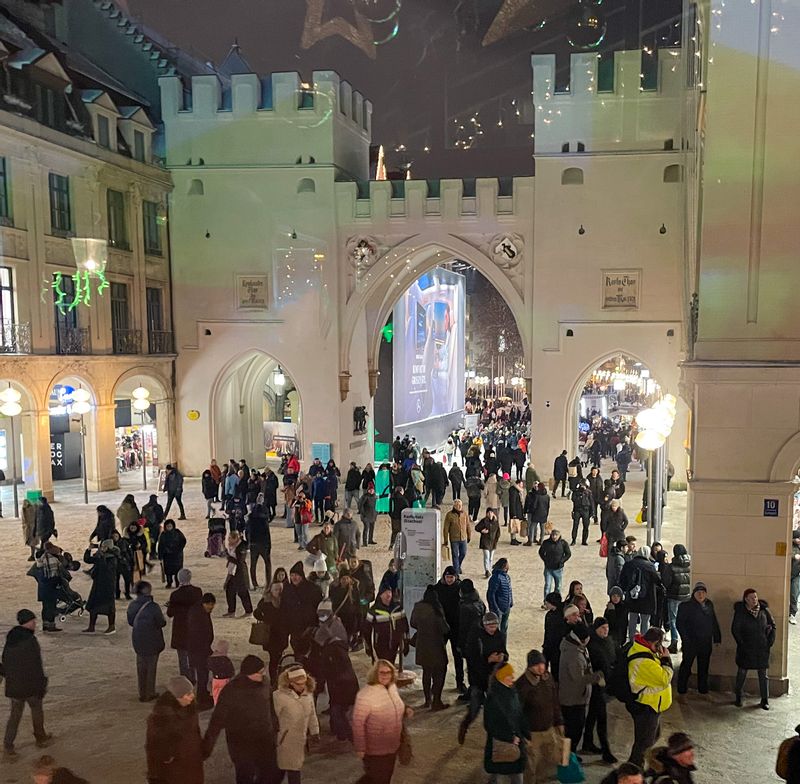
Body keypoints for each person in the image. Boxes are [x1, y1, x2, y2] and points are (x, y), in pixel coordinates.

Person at [203, 655, 277, 784]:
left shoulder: (264, 683)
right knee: (245, 775)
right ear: (249, 673)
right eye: (260, 672)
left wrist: (275, 726)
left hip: (265, 739)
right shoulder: (232, 691)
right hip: (242, 743)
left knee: (268, 773)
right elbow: (217, 720)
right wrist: (207, 746)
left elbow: (270, 706)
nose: (263, 674)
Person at [2, 609, 51, 760]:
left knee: (14, 716)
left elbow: (5, 661)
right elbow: (36, 665)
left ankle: (8, 744)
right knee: (37, 711)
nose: (35, 624)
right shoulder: (30, 641)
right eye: (33, 621)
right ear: (26, 622)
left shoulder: (11, 639)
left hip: (14, 686)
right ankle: (40, 738)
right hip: (30, 686)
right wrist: (41, 684)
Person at [352, 659, 410, 784]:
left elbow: (395, 706)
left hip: (392, 745)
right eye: (381, 673)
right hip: (374, 750)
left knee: (384, 777)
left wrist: (406, 709)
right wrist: (360, 747)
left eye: (388, 672)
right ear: (375, 674)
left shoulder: (392, 688)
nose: (385, 675)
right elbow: (358, 724)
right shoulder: (365, 695)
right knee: (378, 779)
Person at [625, 627, 673, 767]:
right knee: (644, 743)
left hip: (653, 705)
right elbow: (664, 678)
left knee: (650, 738)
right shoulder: (643, 660)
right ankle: (633, 771)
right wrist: (666, 660)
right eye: (660, 643)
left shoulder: (647, 651)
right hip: (646, 706)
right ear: (655, 642)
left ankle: (633, 768)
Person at [459, 612, 508, 744]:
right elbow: (472, 660)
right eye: (490, 627)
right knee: (474, 708)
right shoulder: (476, 637)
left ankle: (494, 736)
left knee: (496, 709)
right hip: (478, 678)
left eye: (495, 626)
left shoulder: (500, 636)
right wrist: (488, 659)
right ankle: (465, 725)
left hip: (493, 678)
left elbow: (505, 652)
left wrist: (502, 657)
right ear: (485, 626)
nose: (493, 629)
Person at [146, 676, 204, 784]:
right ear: (177, 697)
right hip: (175, 771)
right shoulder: (160, 719)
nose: (192, 696)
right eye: (187, 694)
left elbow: (196, 733)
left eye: (191, 692)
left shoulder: (191, 710)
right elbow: (153, 751)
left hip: (192, 765)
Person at [515, 650, 562, 784]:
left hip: (548, 729)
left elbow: (554, 701)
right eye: (537, 665)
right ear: (529, 666)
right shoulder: (522, 684)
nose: (541, 667)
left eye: (542, 664)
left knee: (546, 764)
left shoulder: (548, 678)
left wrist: (559, 722)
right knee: (530, 768)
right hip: (532, 733)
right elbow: (517, 712)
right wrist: (522, 734)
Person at [673, 581, 720, 697]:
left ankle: (702, 689)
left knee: (704, 667)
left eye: (703, 592)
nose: (701, 595)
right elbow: (680, 624)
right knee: (686, 666)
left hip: (705, 642)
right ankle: (682, 690)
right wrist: (685, 638)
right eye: (698, 592)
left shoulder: (709, 604)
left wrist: (717, 637)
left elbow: (713, 621)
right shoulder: (685, 606)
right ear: (694, 593)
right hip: (691, 642)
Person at [483, 662, 528, 784]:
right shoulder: (493, 698)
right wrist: (509, 738)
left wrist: (526, 733)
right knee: (499, 773)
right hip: (500, 743)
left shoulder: (512, 692)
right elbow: (489, 725)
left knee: (515, 773)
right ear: (501, 677)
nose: (513, 677)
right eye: (509, 675)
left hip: (515, 742)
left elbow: (519, 715)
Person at [731, 587, 776, 709]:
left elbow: (773, 625)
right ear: (745, 599)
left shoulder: (764, 611)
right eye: (751, 598)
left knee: (763, 674)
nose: (754, 600)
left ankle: (764, 699)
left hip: (761, 648)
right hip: (746, 649)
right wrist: (742, 643)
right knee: (742, 673)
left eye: (755, 597)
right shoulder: (740, 612)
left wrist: (769, 642)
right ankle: (738, 696)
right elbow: (735, 629)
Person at [273, 667, 320, 784]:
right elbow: (272, 718)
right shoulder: (279, 697)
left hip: (300, 739)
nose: (302, 686)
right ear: (290, 683)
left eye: (304, 683)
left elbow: (312, 714)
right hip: (284, 740)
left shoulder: (308, 695)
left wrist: (315, 731)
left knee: (288, 768)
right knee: (289, 769)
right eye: (298, 684)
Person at [558, 621, 599, 753]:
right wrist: (597, 677)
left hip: (576, 697)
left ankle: (570, 757)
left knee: (574, 731)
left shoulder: (577, 647)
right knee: (572, 732)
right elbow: (578, 679)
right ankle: (568, 758)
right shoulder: (573, 655)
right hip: (572, 699)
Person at [410, 585, 450, 710]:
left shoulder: (418, 606)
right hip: (437, 645)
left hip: (422, 645)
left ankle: (427, 700)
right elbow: (445, 628)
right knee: (439, 673)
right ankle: (436, 701)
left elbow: (413, 623)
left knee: (426, 672)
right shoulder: (437, 609)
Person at [127, 580, 167, 702]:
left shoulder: (132, 605)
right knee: (151, 667)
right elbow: (161, 623)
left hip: (138, 639)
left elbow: (130, 622)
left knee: (141, 667)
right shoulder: (153, 607)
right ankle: (150, 692)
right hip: (153, 640)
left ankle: (142, 692)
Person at [584, 617, 617, 763]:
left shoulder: (608, 641)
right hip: (596, 684)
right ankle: (606, 751)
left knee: (592, 714)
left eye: (607, 628)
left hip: (605, 685)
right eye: (603, 628)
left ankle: (587, 742)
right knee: (601, 718)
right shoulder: (592, 644)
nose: (606, 631)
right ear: (596, 629)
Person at [167, 568, 203, 679]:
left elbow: (170, 613)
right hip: (194, 627)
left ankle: (185, 679)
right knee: (193, 654)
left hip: (180, 628)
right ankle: (194, 676)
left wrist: (170, 606)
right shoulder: (198, 591)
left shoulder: (175, 595)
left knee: (182, 657)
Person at [619, 546, 661, 641]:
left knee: (632, 620)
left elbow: (622, 580)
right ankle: (643, 641)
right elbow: (658, 580)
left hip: (632, 597)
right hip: (647, 598)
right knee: (645, 621)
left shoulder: (629, 564)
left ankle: (631, 641)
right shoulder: (650, 566)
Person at [435, 566, 465, 695]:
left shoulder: (460, 588)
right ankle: (437, 683)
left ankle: (460, 682)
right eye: (447, 577)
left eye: (451, 577)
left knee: (458, 655)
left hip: (456, 628)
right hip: (443, 627)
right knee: (439, 657)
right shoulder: (438, 588)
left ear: (455, 577)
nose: (449, 580)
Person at [363, 585, 409, 666]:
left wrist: (406, 642)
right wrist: (368, 646)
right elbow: (366, 630)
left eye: (390, 592)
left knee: (390, 666)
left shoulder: (398, 608)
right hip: (380, 646)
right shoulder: (374, 611)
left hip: (394, 645)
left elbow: (405, 627)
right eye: (385, 593)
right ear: (380, 595)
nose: (388, 595)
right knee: (381, 667)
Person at [82, 539, 119, 634]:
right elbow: (87, 560)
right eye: (101, 546)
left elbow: (107, 569)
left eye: (104, 547)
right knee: (93, 606)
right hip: (97, 584)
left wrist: (101, 558)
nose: (102, 548)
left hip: (107, 585)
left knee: (109, 607)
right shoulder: (100, 556)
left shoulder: (112, 558)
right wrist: (89, 550)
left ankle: (111, 626)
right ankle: (91, 626)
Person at [187, 593, 216, 709]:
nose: (211, 608)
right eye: (210, 605)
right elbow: (198, 635)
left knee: (203, 674)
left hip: (201, 649)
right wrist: (207, 650)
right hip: (199, 651)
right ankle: (201, 698)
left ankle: (202, 695)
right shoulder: (197, 615)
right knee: (202, 674)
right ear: (205, 603)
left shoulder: (200, 612)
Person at [661, 544, 691, 653]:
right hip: (687, 597)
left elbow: (666, 582)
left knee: (673, 620)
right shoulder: (690, 565)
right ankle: (685, 643)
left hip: (674, 596)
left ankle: (674, 642)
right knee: (686, 621)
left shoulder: (671, 566)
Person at [222, 531, 253, 617]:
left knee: (243, 592)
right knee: (229, 590)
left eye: (230, 539)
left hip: (240, 573)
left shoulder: (241, 547)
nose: (229, 541)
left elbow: (239, 561)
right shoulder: (233, 546)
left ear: (236, 538)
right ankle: (231, 611)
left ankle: (248, 611)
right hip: (233, 572)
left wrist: (227, 556)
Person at [538, 529, 571, 606]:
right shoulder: (546, 543)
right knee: (547, 586)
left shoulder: (563, 543)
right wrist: (545, 560)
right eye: (553, 535)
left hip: (558, 569)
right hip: (548, 568)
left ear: (559, 536)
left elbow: (568, 554)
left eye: (556, 535)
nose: (554, 537)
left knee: (558, 587)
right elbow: (541, 552)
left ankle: (557, 603)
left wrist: (562, 561)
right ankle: (546, 603)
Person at [157, 519, 187, 589]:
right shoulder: (163, 535)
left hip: (177, 556)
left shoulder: (178, 533)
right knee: (168, 571)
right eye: (168, 526)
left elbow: (183, 541)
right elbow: (160, 546)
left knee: (178, 570)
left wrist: (179, 549)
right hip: (167, 556)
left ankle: (177, 582)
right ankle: (169, 582)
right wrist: (160, 556)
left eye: (170, 526)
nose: (169, 528)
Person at [487, 558, 513, 637]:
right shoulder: (496, 578)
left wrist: (511, 602)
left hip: (506, 607)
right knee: (497, 631)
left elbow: (509, 590)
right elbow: (491, 594)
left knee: (504, 630)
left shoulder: (507, 577)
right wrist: (496, 608)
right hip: (498, 609)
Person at [445, 499, 471, 574]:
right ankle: (456, 572)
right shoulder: (449, 515)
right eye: (457, 505)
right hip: (454, 539)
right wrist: (446, 539)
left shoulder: (465, 514)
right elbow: (446, 528)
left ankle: (457, 566)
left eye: (460, 505)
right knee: (455, 555)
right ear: (454, 506)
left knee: (463, 553)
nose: (458, 506)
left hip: (463, 538)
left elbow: (468, 525)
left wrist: (469, 535)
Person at [476, 508, 501, 579]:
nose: (490, 514)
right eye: (488, 512)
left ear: (493, 513)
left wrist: (496, 540)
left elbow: (498, 532)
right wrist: (482, 530)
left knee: (491, 558)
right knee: (486, 557)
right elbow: (476, 527)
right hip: (485, 542)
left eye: (491, 512)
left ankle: (489, 570)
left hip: (493, 542)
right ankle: (487, 570)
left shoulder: (496, 522)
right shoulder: (484, 521)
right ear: (487, 513)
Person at [570, 481, 593, 546]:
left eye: (584, 485)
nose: (583, 487)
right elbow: (573, 499)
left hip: (586, 510)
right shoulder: (576, 492)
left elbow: (591, 502)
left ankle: (584, 540)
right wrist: (578, 495)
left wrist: (592, 512)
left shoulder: (588, 492)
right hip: (577, 510)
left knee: (586, 526)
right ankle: (573, 539)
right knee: (575, 525)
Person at [791, 530, 800, 625]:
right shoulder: (790, 545)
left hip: (796, 575)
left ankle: (792, 614)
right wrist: (794, 556)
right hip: (788, 574)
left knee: (794, 594)